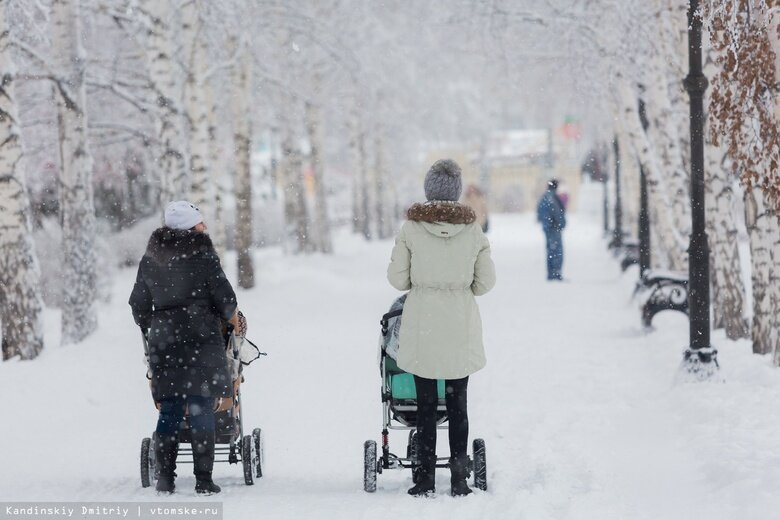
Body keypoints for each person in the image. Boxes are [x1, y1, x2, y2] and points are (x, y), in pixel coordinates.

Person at [387, 159, 496, 497]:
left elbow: (397, 279)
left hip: (424, 325)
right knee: (458, 404)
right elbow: (485, 283)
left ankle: (424, 478)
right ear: (456, 190)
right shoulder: (474, 231)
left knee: (425, 406)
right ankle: (460, 478)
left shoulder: (411, 229)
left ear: (429, 189)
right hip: (459, 324)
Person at [129, 201, 237, 495]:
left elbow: (138, 304)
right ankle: (204, 480)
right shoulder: (204, 258)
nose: (205, 227)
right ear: (192, 227)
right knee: (202, 406)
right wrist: (219, 315)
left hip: (165, 342)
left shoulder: (150, 259)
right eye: (201, 222)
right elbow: (227, 302)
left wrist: (158, 321)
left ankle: (165, 478)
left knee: (170, 410)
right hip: (202, 339)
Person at [536, 179, 567, 281]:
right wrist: (558, 224)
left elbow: (541, 213)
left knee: (551, 251)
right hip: (553, 229)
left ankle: (552, 273)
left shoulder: (547, 197)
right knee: (556, 251)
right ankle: (555, 273)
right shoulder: (551, 198)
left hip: (550, 228)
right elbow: (556, 213)